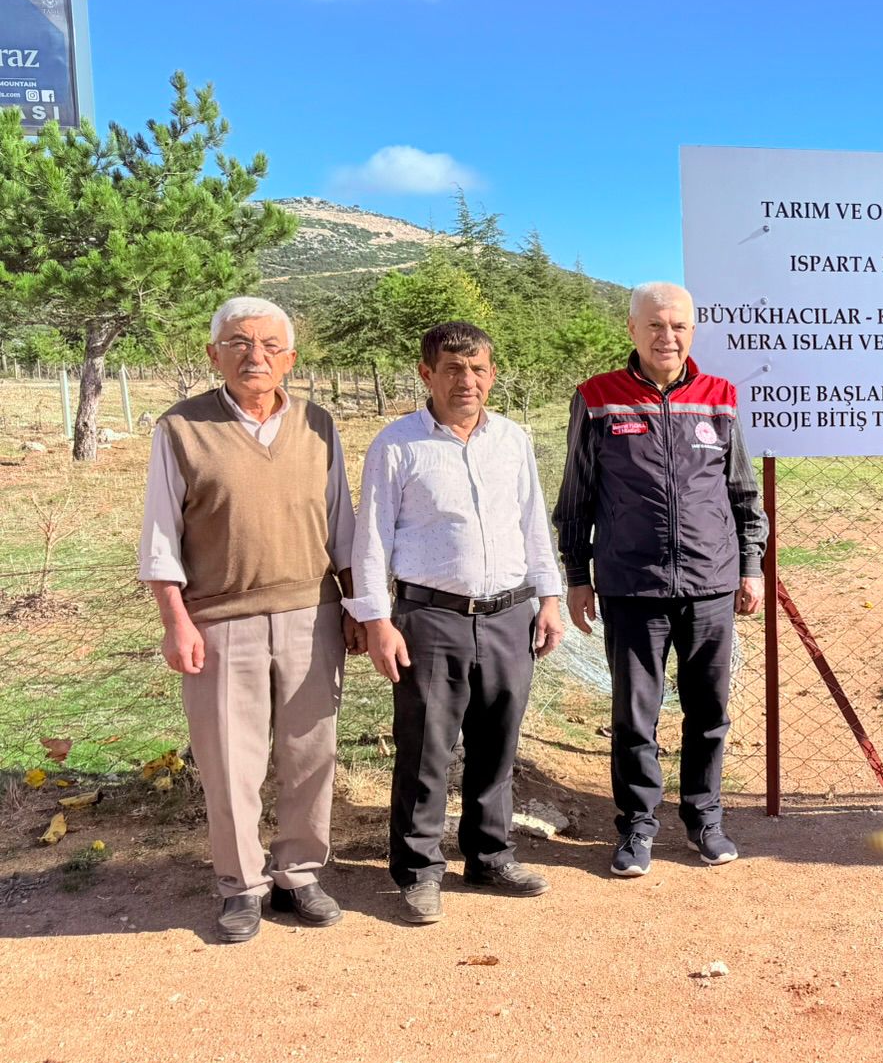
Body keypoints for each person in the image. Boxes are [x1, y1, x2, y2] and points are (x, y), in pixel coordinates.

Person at [137, 297, 360, 943]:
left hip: (312, 613)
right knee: (228, 761)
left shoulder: (318, 425)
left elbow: (340, 525)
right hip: (219, 620)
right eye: (237, 342)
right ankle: (241, 885)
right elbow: (160, 536)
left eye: (268, 344)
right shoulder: (181, 428)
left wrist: (353, 606)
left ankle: (299, 873)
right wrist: (175, 620)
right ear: (213, 355)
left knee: (310, 753)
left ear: (289, 358)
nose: (253, 355)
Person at [350, 323, 567, 925]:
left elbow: (532, 526)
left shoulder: (514, 440)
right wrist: (376, 621)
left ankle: (490, 855)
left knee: (497, 744)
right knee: (426, 749)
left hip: (509, 615)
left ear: (491, 374)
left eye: (477, 370)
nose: (466, 381)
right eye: (452, 369)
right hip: (430, 617)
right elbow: (370, 541)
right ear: (426, 374)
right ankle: (418, 871)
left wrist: (548, 599)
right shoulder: (397, 445)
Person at [554, 281, 766, 878]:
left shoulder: (719, 397)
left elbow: (742, 492)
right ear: (632, 329)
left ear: (692, 331)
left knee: (709, 710)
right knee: (633, 713)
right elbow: (577, 494)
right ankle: (638, 826)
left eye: (678, 326)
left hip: (710, 583)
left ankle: (705, 818)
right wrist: (577, 573)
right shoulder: (597, 398)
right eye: (654, 325)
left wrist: (750, 565)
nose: (666, 337)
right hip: (630, 584)